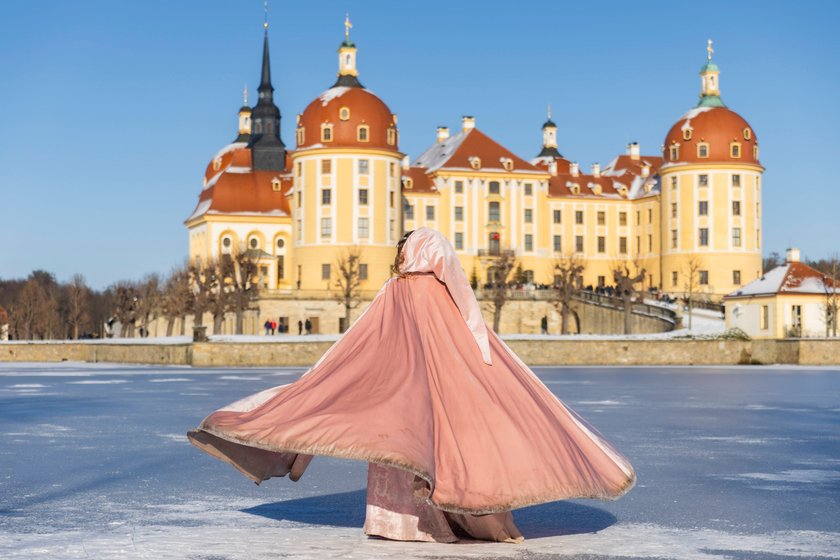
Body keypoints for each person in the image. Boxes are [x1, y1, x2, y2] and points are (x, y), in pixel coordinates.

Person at [188, 228, 635, 544]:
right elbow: (470, 317)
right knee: (450, 445)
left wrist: (318, 384)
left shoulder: (394, 290)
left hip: (391, 400)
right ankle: (458, 518)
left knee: (395, 447)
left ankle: (393, 522)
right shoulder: (438, 294)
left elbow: (354, 342)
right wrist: (485, 357)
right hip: (441, 395)